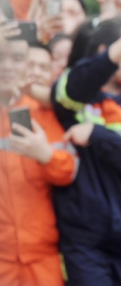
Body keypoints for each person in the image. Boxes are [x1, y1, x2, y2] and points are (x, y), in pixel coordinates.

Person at [51, 13, 121, 286]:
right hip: (85, 240)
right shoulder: (75, 91)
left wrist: (97, 134)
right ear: (108, 51)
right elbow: (72, 88)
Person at [0, 31, 77, 286]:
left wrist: (46, 155)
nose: (7, 66)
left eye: (16, 58)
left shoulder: (45, 111)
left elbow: (70, 171)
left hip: (42, 257)